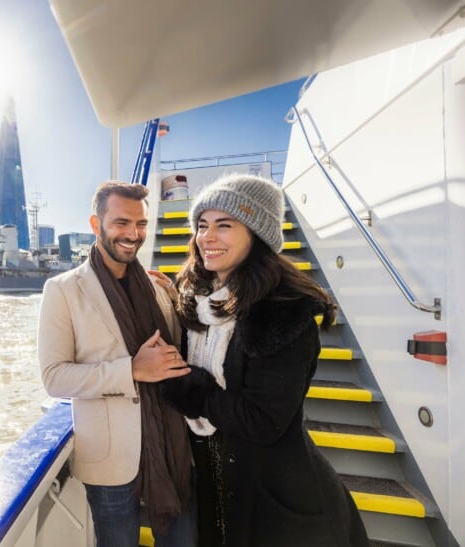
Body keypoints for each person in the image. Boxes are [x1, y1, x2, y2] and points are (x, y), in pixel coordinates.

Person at [156, 173, 369, 546]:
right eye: (202, 225)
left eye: (225, 226)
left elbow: (264, 420)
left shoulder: (282, 311)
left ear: (257, 235)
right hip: (216, 487)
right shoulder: (197, 298)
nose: (207, 237)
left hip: (276, 501)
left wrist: (192, 391)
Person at [38, 181, 197, 547]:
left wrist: (175, 299)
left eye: (140, 224)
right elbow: (54, 377)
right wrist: (132, 371)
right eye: (121, 223)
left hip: (173, 447)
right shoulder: (63, 289)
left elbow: (180, 354)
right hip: (110, 458)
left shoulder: (157, 288)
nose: (133, 234)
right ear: (96, 224)